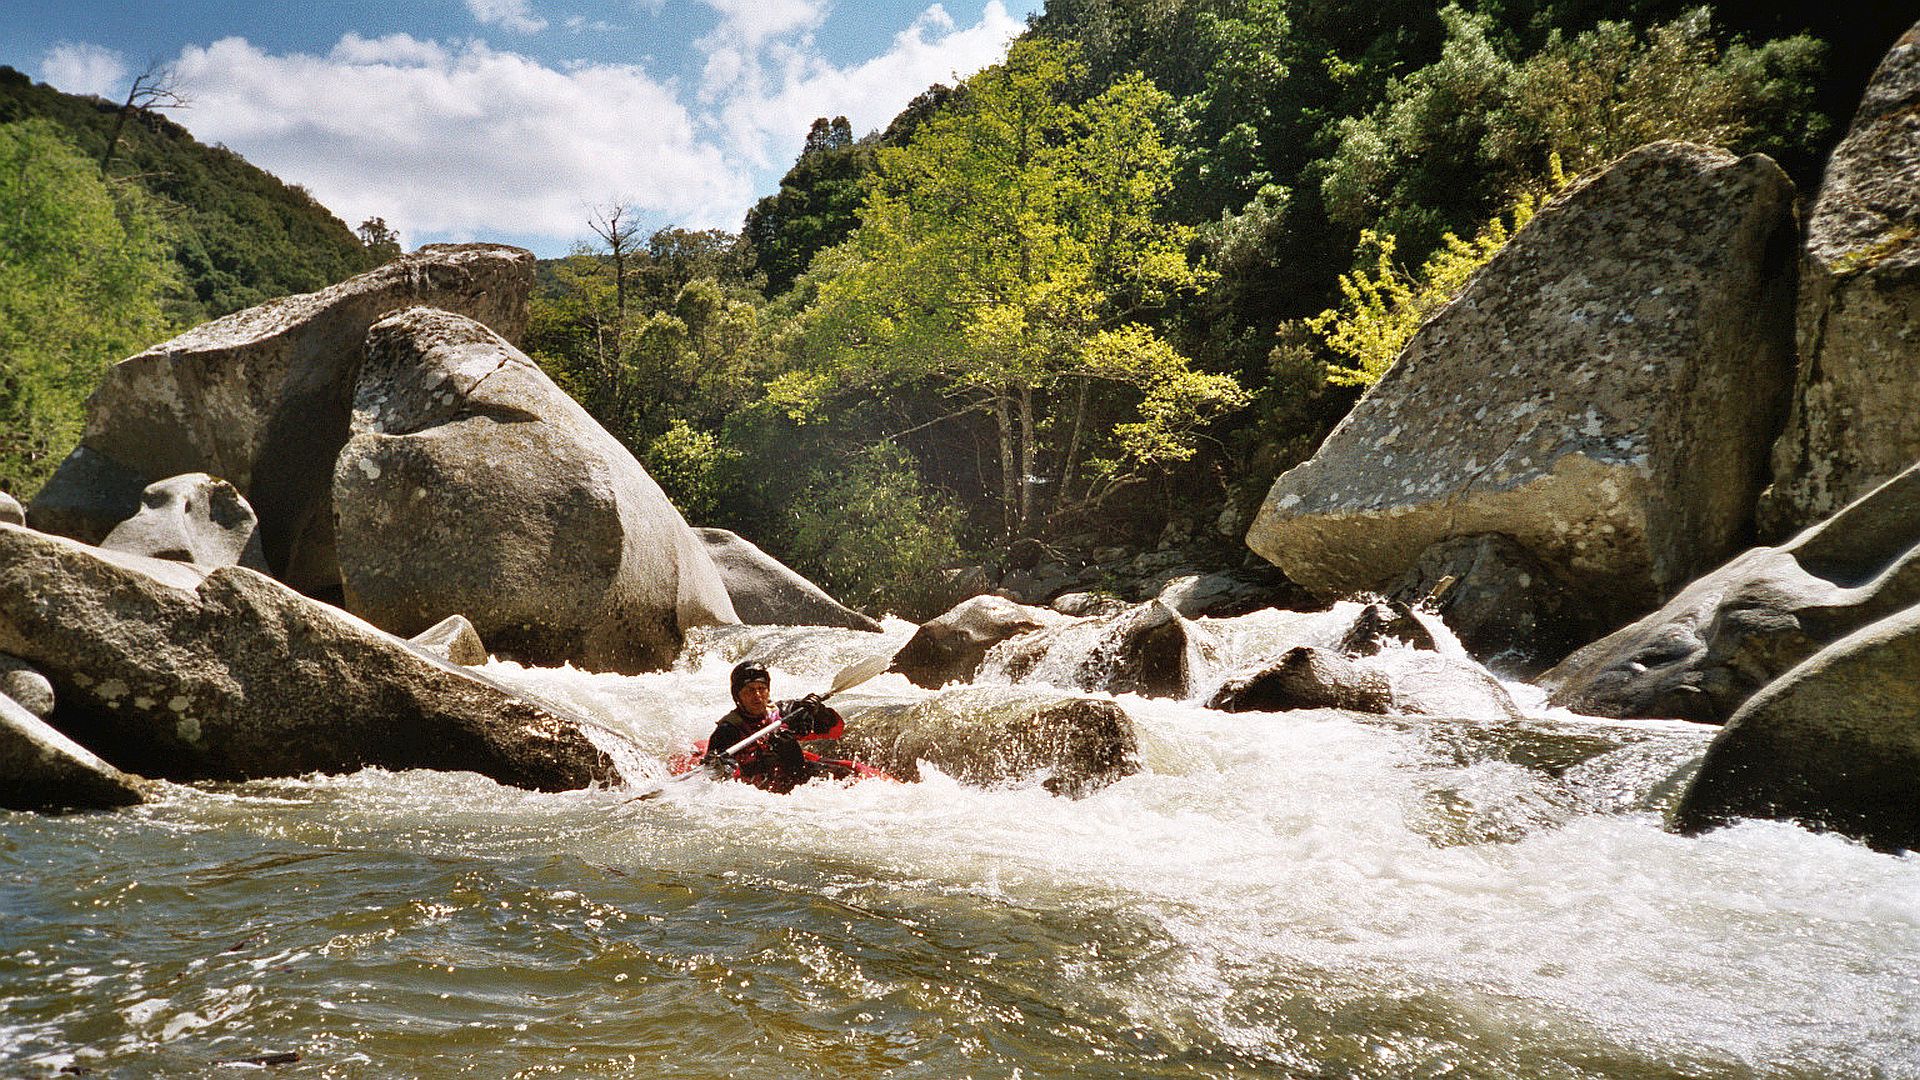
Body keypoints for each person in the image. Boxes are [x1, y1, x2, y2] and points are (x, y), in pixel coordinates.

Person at [703, 661, 846, 793]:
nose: (757, 695)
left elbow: (836, 730)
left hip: (794, 773)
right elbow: (720, 779)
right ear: (738, 696)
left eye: (761, 688)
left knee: (845, 774)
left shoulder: (787, 711)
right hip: (757, 786)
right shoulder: (727, 730)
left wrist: (819, 711)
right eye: (750, 690)